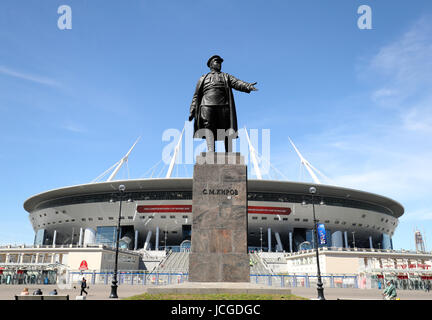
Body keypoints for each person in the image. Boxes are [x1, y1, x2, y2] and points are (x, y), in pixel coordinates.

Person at [189, 55, 258, 153]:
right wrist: (192, 109)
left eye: (220, 63)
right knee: (208, 126)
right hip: (206, 105)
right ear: (211, 64)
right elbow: (196, 95)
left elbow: (236, 82)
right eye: (217, 62)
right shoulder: (203, 78)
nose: (219, 64)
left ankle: (229, 151)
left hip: (223, 104)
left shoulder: (226, 76)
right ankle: (210, 151)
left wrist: (247, 86)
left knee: (226, 127)